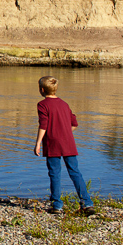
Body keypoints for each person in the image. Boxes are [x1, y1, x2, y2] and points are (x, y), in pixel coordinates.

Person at [34, 76, 96, 216]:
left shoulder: (42, 105)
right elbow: (74, 124)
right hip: (68, 142)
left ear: (42, 90)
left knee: (54, 173)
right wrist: (65, 131)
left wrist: (38, 143)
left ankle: (57, 205)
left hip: (52, 143)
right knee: (75, 172)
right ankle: (87, 203)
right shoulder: (64, 104)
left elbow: (43, 125)